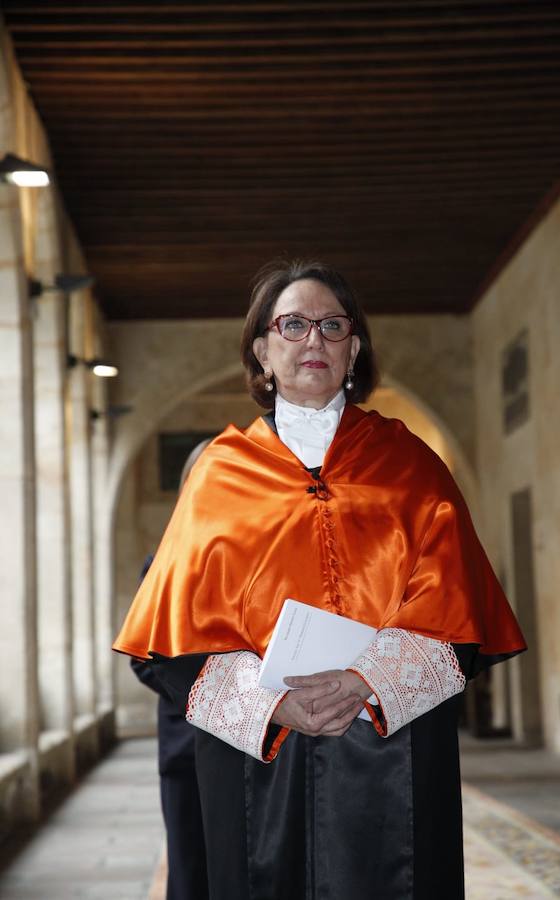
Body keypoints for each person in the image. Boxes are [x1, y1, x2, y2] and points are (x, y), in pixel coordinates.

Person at [114, 260, 526, 900]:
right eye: (295, 325)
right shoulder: (219, 474)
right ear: (263, 348)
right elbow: (174, 643)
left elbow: (459, 614)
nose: (315, 341)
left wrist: (363, 681)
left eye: (333, 325)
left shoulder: (412, 463)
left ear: (354, 348)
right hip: (260, 759)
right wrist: (276, 704)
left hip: (394, 746)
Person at [130, 440, 212, 900]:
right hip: (187, 743)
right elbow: (142, 658)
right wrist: (207, 693)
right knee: (191, 867)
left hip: (261, 745)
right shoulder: (161, 565)